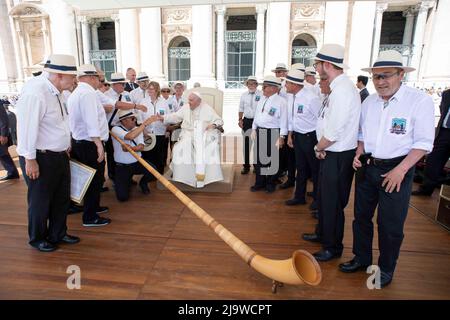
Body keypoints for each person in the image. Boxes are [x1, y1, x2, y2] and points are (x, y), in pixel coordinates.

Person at [339, 50, 435, 288]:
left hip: (398, 169)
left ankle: (385, 269)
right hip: (368, 167)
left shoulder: (419, 101)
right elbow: (362, 134)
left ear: (401, 74)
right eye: (376, 77)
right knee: (361, 217)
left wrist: (401, 170)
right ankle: (361, 258)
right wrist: (359, 152)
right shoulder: (369, 102)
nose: (381, 82)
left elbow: (423, 143)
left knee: (390, 225)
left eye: (386, 76)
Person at [15, 54, 80, 252]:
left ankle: (58, 233)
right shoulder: (36, 91)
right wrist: (30, 159)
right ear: (60, 75)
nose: (75, 80)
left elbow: (57, 123)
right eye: (72, 77)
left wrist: (64, 145)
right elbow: (26, 127)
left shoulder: (57, 91)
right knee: (40, 201)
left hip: (58, 155)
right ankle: (38, 238)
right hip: (41, 157)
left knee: (61, 198)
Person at [307, 44, 361, 262]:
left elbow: (335, 129)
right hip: (331, 152)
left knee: (332, 203)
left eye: (317, 64)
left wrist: (319, 147)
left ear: (326, 65)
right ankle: (322, 234)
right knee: (323, 198)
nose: (316, 68)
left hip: (337, 154)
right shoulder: (338, 88)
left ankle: (332, 246)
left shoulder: (343, 90)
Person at [67, 64, 111, 227]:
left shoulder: (76, 93)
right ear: (92, 78)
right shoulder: (88, 94)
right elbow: (91, 120)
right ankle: (90, 216)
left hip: (79, 142)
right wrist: (98, 144)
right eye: (99, 79)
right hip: (90, 143)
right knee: (95, 179)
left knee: (87, 177)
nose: (99, 82)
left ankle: (93, 207)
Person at [160, 92, 224, 188]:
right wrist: (163, 117)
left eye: (191, 100)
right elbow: (175, 116)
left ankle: (206, 177)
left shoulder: (207, 108)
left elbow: (219, 120)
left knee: (210, 148)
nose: (188, 102)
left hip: (202, 134)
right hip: (187, 134)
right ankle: (182, 175)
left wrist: (213, 125)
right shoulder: (186, 107)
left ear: (198, 101)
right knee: (179, 149)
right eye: (188, 100)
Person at [284, 69, 321, 210]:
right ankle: (299, 197)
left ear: (294, 84)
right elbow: (293, 118)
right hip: (297, 136)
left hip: (310, 137)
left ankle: (318, 199)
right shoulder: (292, 97)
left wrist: (319, 143)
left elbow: (321, 120)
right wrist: (289, 135)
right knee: (301, 168)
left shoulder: (311, 98)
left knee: (315, 169)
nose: (285, 85)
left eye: (287, 82)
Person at [251, 75, 288, 193]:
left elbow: (284, 121)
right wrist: (253, 128)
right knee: (259, 160)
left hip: (273, 133)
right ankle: (259, 183)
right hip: (260, 131)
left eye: (265, 87)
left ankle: (270, 183)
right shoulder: (262, 98)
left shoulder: (281, 102)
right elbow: (257, 115)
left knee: (272, 160)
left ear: (273, 88)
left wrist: (282, 137)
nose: (263, 89)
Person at [111, 110, 158, 201]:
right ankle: (126, 181)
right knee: (122, 198)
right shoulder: (115, 129)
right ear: (124, 121)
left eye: (135, 119)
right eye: (132, 119)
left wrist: (131, 149)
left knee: (154, 171)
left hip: (137, 162)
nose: (135, 121)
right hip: (122, 166)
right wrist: (144, 124)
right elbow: (130, 136)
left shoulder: (137, 129)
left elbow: (141, 146)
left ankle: (143, 183)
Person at [412, 88, 450, 196]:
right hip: (443, 132)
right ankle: (426, 189)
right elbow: (443, 111)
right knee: (433, 161)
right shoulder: (446, 93)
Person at [140, 81, 170, 175]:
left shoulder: (164, 102)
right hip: (147, 133)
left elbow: (168, 117)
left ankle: (159, 175)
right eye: (149, 88)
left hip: (160, 133)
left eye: (152, 89)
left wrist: (164, 122)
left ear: (157, 90)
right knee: (148, 155)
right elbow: (140, 117)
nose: (150, 90)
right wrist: (143, 129)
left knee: (159, 156)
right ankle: (148, 175)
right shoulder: (143, 101)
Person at [238, 76, 262, 174]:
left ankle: (256, 166)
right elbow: (241, 108)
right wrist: (240, 119)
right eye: (249, 84)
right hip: (247, 121)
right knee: (247, 145)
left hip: (258, 122)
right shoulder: (243, 95)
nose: (251, 85)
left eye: (253, 83)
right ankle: (246, 166)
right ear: (247, 85)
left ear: (256, 84)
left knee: (257, 145)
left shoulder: (261, 94)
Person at [0, 101, 19, 181]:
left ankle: (12, 173)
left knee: (3, 154)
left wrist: (4, 134)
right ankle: (12, 172)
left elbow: (3, 118)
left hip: (1, 134)